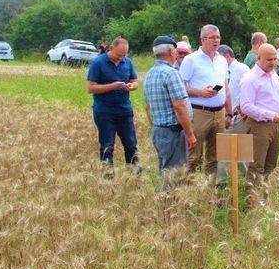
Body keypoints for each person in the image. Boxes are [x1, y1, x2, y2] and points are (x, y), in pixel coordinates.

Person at [240, 43, 279, 204]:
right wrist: (270, 115)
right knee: (257, 166)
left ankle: (262, 199)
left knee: (270, 164)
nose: (273, 62)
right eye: (269, 59)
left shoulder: (274, 75)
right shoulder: (250, 79)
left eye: (275, 59)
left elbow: (276, 97)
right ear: (258, 59)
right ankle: (252, 203)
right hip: (259, 126)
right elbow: (246, 107)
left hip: (275, 125)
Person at [144, 36, 197, 189]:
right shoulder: (171, 74)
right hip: (172, 132)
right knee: (173, 177)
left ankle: (167, 207)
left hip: (158, 130)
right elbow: (179, 106)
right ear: (171, 52)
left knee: (166, 171)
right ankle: (168, 209)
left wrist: (155, 126)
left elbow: (148, 107)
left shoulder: (150, 74)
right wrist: (190, 133)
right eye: (175, 50)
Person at [179, 25, 232, 177]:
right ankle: (189, 191)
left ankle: (209, 190)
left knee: (215, 156)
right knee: (194, 155)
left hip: (219, 113)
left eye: (218, 37)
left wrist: (229, 113)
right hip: (199, 112)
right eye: (212, 37)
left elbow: (226, 88)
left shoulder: (222, 60)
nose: (216, 41)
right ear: (203, 39)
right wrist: (200, 92)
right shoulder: (191, 60)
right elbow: (180, 89)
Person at [86, 37, 140, 178]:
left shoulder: (128, 62)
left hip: (124, 110)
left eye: (124, 55)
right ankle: (108, 177)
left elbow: (135, 81)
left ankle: (134, 174)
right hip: (104, 111)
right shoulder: (98, 63)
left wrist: (131, 86)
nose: (121, 58)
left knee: (131, 144)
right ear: (111, 49)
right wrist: (113, 86)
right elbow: (91, 88)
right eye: (118, 55)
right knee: (107, 146)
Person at [215, 44, 250, 186]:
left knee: (232, 150)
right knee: (234, 150)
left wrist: (241, 114)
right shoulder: (224, 70)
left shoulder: (241, 69)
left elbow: (246, 94)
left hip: (240, 116)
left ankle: (222, 183)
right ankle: (248, 180)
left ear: (227, 56)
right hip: (228, 115)